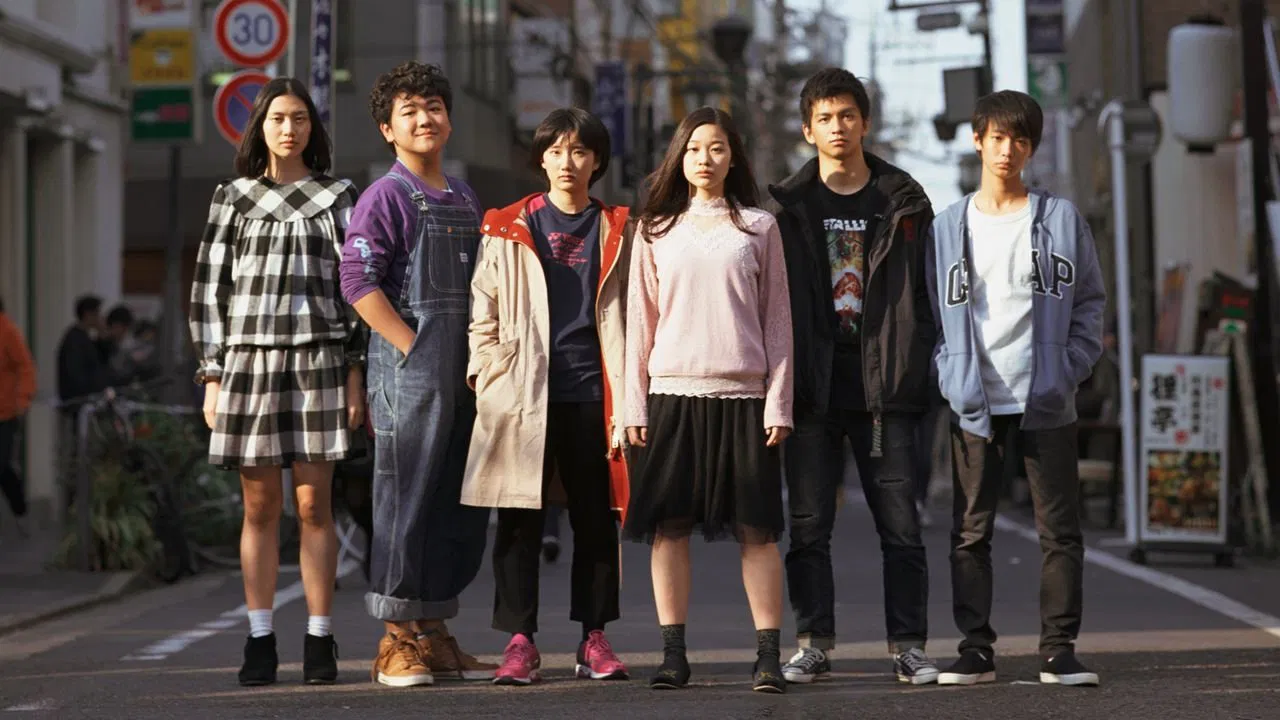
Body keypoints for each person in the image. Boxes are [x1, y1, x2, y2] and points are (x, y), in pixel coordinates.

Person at [763, 67, 939, 685]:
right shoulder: (787, 206)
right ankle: (814, 641)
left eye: (847, 115)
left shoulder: (904, 200)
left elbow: (927, 291)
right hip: (813, 386)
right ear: (808, 129)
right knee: (809, 524)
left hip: (886, 387)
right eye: (825, 117)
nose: (837, 127)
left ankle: (908, 646)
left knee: (901, 525)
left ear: (865, 122)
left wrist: (922, 364)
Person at [926, 90, 1105, 687]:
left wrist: (1067, 367)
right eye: (997, 137)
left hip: (1045, 398)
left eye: (1020, 139)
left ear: (1032, 147)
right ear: (977, 139)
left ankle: (1058, 649)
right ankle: (975, 649)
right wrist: (951, 374)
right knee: (970, 532)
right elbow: (932, 317)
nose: (1008, 150)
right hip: (975, 402)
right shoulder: (948, 227)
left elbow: (1089, 304)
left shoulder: (1059, 219)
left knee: (1060, 531)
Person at [189, 77, 363, 687]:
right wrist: (211, 373)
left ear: (313, 128)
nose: (289, 129)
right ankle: (260, 637)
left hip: (319, 361)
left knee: (315, 505)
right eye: (278, 118)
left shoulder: (340, 196)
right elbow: (211, 289)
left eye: (300, 119)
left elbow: (356, 288)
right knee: (259, 506)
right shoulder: (232, 197)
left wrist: (354, 373)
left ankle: (320, 640)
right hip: (247, 364)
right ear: (259, 125)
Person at [623, 106, 794, 694]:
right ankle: (674, 655)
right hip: (671, 393)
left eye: (717, 148)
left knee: (759, 533)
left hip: (745, 397)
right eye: (695, 148)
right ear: (680, 157)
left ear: (733, 157)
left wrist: (779, 402)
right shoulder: (653, 229)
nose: (706, 158)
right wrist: (632, 406)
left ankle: (768, 656)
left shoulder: (759, 227)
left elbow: (778, 323)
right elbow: (637, 326)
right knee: (669, 532)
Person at [462, 107, 632, 686]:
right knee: (518, 520)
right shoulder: (506, 225)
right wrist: (488, 373)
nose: (568, 162)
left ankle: (593, 638)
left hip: (593, 391)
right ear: (541, 159)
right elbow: (481, 310)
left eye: (580, 152)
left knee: (595, 519)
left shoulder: (618, 228)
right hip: (522, 393)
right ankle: (520, 641)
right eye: (557, 151)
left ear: (597, 162)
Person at [339, 61, 493, 688]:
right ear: (387, 129)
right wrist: (413, 345)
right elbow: (356, 282)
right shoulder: (384, 196)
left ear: (448, 119)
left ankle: (433, 631)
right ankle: (395, 639)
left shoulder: (463, 195)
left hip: (466, 376)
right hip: (411, 376)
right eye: (410, 111)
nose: (425, 119)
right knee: (402, 503)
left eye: (433, 107)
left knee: (452, 505)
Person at [0, 296, 36, 535]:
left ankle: (20, 509)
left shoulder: (8, 331)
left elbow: (25, 366)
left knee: (2, 465)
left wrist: (23, 398)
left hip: (5, 413)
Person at [56, 295, 111, 414]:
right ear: (88, 314)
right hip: (78, 404)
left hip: (86, 402)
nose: (100, 318)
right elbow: (76, 374)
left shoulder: (86, 338)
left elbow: (103, 360)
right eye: (97, 313)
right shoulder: (74, 341)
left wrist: (103, 337)